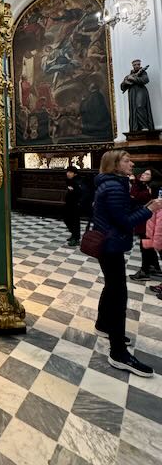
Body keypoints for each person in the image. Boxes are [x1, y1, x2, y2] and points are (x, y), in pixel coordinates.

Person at [92, 150, 162, 377]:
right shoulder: (114, 187)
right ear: (115, 164)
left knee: (111, 288)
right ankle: (118, 354)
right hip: (110, 245)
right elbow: (124, 222)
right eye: (126, 160)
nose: (132, 163)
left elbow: (122, 211)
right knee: (118, 295)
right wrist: (149, 210)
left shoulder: (114, 183)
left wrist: (146, 204)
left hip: (108, 244)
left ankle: (104, 325)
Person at [129, 170, 162, 281]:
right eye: (143, 173)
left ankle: (145, 271)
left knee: (146, 247)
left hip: (149, 221)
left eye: (147, 174)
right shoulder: (145, 186)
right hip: (146, 220)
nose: (143, 175)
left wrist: (134, 182)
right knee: (147, 246)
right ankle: (153, 268)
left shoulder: (152, 188)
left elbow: (135, 196)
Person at [120, 59, 154, 131]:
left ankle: (144, 126)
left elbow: (145, 80)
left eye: (138, 64)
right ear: (133, 66)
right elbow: (122, 87)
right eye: (135, 65)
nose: (137, 66)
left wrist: (134, 79)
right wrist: (126, 82)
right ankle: (136, 127)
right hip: (132, 93)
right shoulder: (129, 75)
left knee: (140, 106)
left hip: (141, 90)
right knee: (134, 109)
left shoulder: (143, 73)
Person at [63, 165, 83, 246]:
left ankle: (76, 238)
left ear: (75, 174)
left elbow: (80, 193)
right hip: (69, 204)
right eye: (67, 172)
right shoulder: (69, 181)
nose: (68, 174)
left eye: (70, 172)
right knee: (67, 219)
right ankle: (73, 234)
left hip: (75, 204)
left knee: (75, 221)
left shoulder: (77, 181)